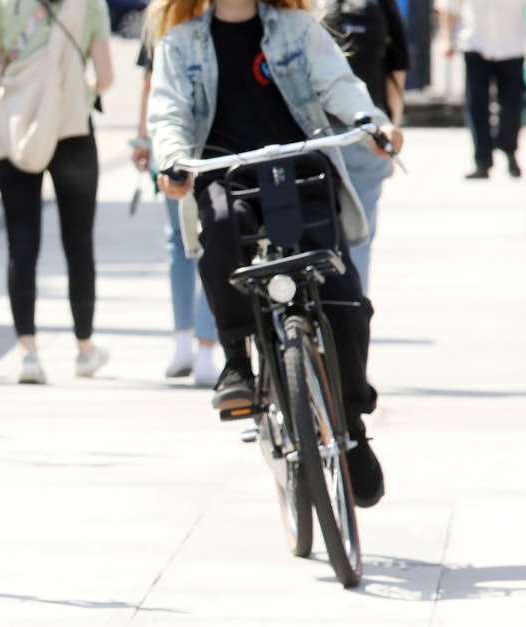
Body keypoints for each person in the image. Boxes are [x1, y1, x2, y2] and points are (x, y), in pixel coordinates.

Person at [145, 0, 397, 505]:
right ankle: (237, 362)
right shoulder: (180, 43)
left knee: (345, 298)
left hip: (300, 171)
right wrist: (172, 160)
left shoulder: (297, 29)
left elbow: (340, 84)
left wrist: (372, 123)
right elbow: (169, 113)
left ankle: (352, 428)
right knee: (221, 226)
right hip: (226, 175)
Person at [0, 0, 115, 384]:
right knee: (79, 245)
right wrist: (76, 89)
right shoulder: (89, 3)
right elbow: (106, 75)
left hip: (14, 129)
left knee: (21, 244)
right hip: (73, 130)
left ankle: (28, 354)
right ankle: (84, 350)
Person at [133, 44, 220, 385]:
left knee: (181, 242)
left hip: (172, 145)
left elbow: (149, 81)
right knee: (213, 241)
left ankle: (185, 344)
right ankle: (203, 350)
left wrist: (143, 138)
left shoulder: (164, 24)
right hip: (212, 143)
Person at [324, 0, 408, 290]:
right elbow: (396, 76)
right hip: (367, 130)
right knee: (359, 234)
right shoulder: (381, 5)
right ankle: (354, 306)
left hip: (314, 132)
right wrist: (389, 136)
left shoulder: (302, 10)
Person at [439, 0, 526, 178]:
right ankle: (482, 161)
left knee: (512, 105)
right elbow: (448, 7)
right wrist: (446, 39)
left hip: (511, 47)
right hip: (475, 45)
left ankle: (508, 148)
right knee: (476, 105)